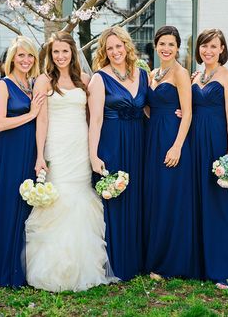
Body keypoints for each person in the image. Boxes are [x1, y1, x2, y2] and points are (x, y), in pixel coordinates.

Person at [24, 31, 117, 292]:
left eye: (65, 51)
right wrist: (40, 155)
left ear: (73, 53)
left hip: (79, 146)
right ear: (50, 55)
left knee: (80, 199)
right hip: (56, 144)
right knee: (59, 199)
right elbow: (40, 119)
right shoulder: (43, 81)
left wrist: (93, 151)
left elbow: (94, 117)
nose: (61, 56)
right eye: (56, 52)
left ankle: (83, 264)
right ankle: (54, 267)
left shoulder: (85, 80)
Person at [0, 36, 44, 287]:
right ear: (12, 58)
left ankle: (24, 267)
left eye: (30, 55)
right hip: (8, 150)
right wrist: (30, 114)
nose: (26, 60)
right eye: (21, 55)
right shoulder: (4, 85)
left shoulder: (32, 85)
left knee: (27, 205)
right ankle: (3, 268)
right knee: (9, 203)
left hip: (28, 148)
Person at [88, 26, 147, 281]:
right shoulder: (99, 79)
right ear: (104, 52)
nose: (115, 52)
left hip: (140, 142)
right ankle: (117, 261)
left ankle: (139, 258)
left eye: (118, 46)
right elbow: (96, 119)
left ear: (127, 47)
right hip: (112, 142)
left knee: (138, 198)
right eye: (109, 48)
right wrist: (93, 155)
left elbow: (150, 110)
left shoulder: (143, 75)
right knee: (116, 199)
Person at [143, 25, 197, 280]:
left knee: (170, 198)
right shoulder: (152, 74)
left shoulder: (180, 73)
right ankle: (153, 257)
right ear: (156, 46)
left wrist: (176, 146)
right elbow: (147, 107)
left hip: (172, 139)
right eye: (162, 44)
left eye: (171, 44)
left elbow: (187, 112)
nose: (166, 48)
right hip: (153, 138)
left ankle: (170, 263)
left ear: (177, 48)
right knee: (156, 197)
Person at [189, 28, 228, 289]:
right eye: (204, 46)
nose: (208, 51)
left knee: (220, 205)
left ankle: (224, 270)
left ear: (222, 49)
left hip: (218, 141)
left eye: (213, 46)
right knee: (199, 201)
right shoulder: (196, 76)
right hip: (195, 143)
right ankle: (200, 264)